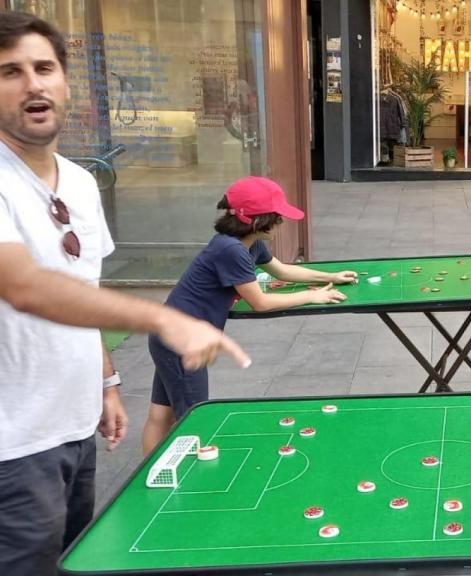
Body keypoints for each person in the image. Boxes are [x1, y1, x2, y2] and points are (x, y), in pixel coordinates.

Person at [0, 11, 249, 576]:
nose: (33, 83)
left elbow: (80, 290)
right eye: (10, 72)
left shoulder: (82, 183)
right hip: (11, 447)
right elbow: (23, 286)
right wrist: (163, 320)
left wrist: (106, 381)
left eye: (44, 67)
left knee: (69, 561)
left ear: (66, 81)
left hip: (72, 427)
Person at [141, 176, 357, 454]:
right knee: (193, 420)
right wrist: (312, 296)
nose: (281, 222)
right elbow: (261, 302)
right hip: (182, 341)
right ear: (257, 221)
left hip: (168, 332)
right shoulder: (231, 250)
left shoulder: (248, 243)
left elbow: (284, 271)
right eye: (277, 217)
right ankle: (185, 487)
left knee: (162, 413)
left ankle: (148, 478)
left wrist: (331, 276)